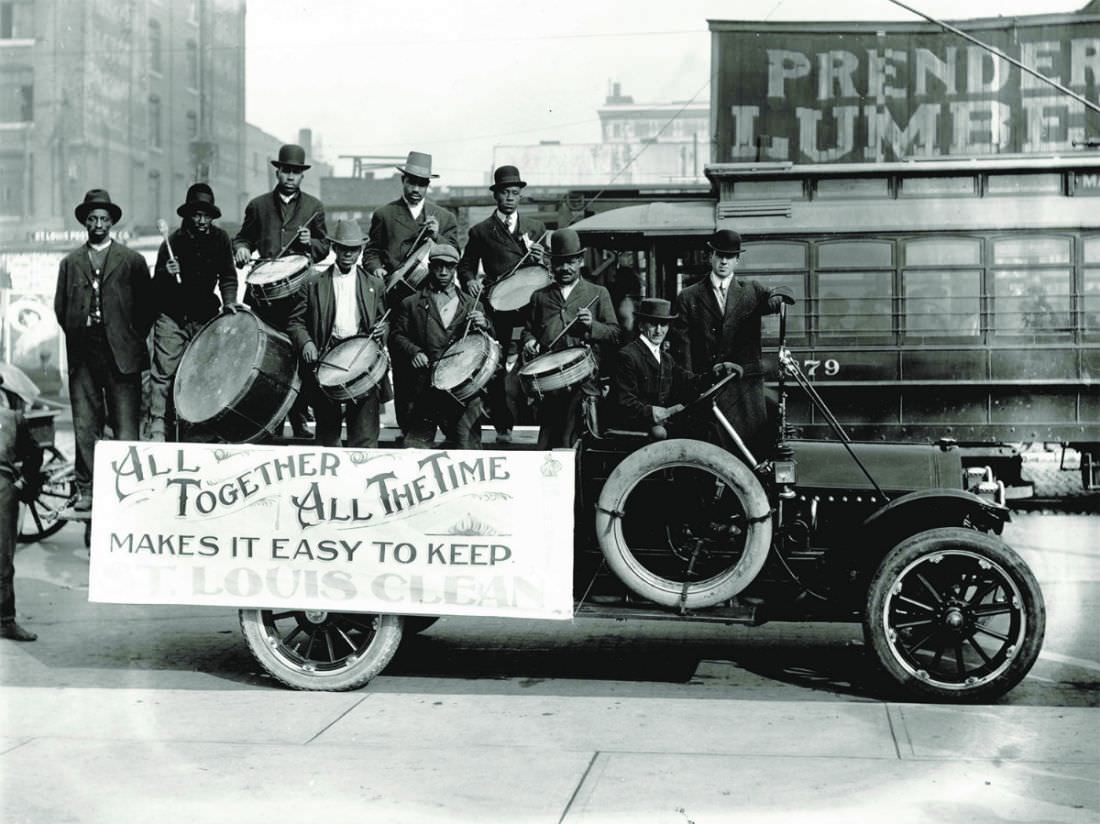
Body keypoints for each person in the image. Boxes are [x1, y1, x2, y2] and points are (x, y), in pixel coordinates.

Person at [54, 189, 154, 511]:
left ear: (112, 223)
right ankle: (86, 490)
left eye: (103, 219)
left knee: (126, 425)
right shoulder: (70, 263)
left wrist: (129, 336)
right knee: (86, 423)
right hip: (84, 354)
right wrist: (79, 331)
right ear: (85, 222)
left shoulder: (132, 261)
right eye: (92, 219)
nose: (98, 224)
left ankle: (129, 490)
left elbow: (146, 307)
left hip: (122, 354)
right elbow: (61, 308)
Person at [669, 228, 794, 458]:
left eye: (729, 256)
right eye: (719, 255)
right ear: (710, 257)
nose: (724, 261)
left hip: (745, 391)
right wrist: (692, 387)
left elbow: (782, 294)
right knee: (714, 456)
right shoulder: (688, 297)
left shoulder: (752, 291)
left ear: (738, 259)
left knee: (750, 454)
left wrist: (777, 298)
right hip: (710, 390)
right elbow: (682, 351)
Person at [233, 143, 330, 439]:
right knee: (268, 358)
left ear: (302, 176)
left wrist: (309, 242)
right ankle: (269, 421)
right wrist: (241, 249)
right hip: (265, 299)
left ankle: (300, 418)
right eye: (286, 170)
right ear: (278, 171)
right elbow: (242, 239)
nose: (290, 176)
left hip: (300, 296)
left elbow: (324, 248)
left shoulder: (314, 208)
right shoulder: (258, 205)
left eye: (296, 172)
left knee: (301, 357)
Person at [363, 151, 459, 442]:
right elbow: (371, 252)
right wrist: (378, 270)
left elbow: (454, 254)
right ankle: (408, 429)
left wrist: (438, 237)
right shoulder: (384, 214)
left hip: (432, 302)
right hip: (397, 300)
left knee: (437, 361)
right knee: (404, 364)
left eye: (422, 184)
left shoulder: (444, 217)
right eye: (411, 182)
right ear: (403, 181)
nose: (416, 189)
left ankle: (439, 427)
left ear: (428, 186)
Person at [458, 165, 547, 443]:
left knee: (535, 361)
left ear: (520, 195)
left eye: (515, 193)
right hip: (499, 309)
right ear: (496, 195)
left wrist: (542, 257)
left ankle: (536, 422)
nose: (510, 198)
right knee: (497, 367)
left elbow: (547, 271)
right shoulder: (481, 231)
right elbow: (466, 267)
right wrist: (471, 280)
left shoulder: (536, 228)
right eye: (504, 193)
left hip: (531, 307)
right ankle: (502, 425)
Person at [148, 183, 240, 442]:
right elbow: (155, 288)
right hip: (172, 317)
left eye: (206, 215)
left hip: (205, 317)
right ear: (187, 215)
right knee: (164, 372)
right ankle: (157, 427)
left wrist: (230, 301)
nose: (201, 220)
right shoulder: (173, 241)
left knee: (202, 373)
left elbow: (228, 276)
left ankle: (200, 428)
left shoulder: (221, 239)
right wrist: (167, 272)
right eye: (196, 215)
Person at [287, 219, 391, 448]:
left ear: (360, 250)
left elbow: (385, 321)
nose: (348, 254)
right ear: (334, 248)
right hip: (326, 359)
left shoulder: (374, 284)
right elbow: (295, 322)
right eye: (343, 248)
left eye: (353, 249)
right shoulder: (312, 282)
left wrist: (381, 330)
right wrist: (306, 343)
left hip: (362, 359)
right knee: (327, 435)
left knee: (364, 434)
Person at [521, 228, 620, 449]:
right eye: (559, 262)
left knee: (577, 449)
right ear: (551, 264)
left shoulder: (598, 293)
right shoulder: (540, 297)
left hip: (584, 387)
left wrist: (591, 326)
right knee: (547, 452)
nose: (564, 268)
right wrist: (529, 341)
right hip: (550, 390)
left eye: (570, 262)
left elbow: (615, 333)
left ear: (580, 262)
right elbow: (529, 330)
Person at [390, 244, 493, 449]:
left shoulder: (473, 304)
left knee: (467, 447)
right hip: (424, 387)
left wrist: (484, 324)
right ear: (430, 267)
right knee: (415, 448)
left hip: (462, 389)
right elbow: (396, 335)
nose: (444, 272)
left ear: (456, 269)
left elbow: (487, 343)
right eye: (438, 266)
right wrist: (414, 351)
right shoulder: (410, 303)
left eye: (449, 267)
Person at [607, 298, 739, 437]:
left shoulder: (665, 358)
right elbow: (624, 402)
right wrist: (656, 412)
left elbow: (689, 381)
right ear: (641, 325)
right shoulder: (628, 355)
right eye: (653, 324)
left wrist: (716, 373)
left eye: (663, 324)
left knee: (705, 426)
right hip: (635, 424)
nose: (659, 330)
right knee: (661, 433)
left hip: (658, 422)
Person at [0, 365, 43, 642]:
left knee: (2, 559)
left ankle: (5, 621)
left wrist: (21, 485)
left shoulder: (13, 418)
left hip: (2, 489)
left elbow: (34, 456)